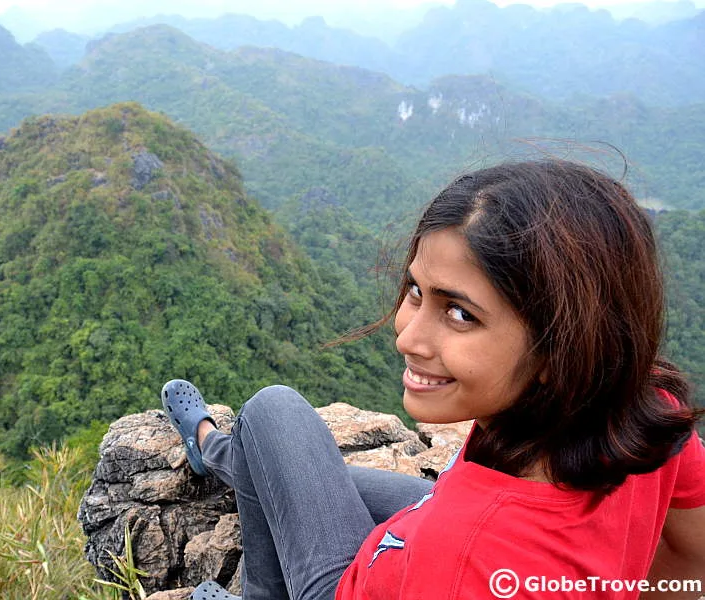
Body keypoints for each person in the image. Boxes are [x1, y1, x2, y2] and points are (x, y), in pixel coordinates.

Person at [161, 160, 705, 600]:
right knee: (293, 470)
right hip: (461, 520)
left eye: (460, 313)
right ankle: (217, 452)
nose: (407, 337)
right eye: (417, 292)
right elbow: (689, 562)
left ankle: (215, 458)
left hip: (384, 576)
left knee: (272, 413)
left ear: (560, 344)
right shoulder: (644, 409)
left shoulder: (460, 563)